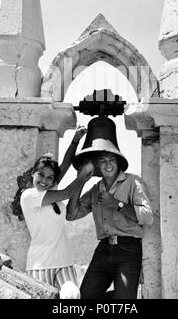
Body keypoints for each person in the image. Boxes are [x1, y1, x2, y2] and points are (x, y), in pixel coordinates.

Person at [67, 144, 154, 299]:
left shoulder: (133, 182)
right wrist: (80, 180)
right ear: (98, 167)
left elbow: (147, 217)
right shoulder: (95, 189)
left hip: (128, 250)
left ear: (118, 162)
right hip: (103, 250)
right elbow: (72, 214)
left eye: (111, 159)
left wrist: (116, 203)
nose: (107, 164)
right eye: (102, 161)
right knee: (85, 297)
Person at [20, 126, 93, 299]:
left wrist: (76, 139)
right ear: (33, 173)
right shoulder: (29, 196)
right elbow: (68, 193)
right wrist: (82, 177)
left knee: (73, 296)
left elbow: (65, 164)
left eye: (49, 177)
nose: (44, 181)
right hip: (40, 265)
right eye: (41, 175)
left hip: (64, 263)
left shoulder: (49, 191)